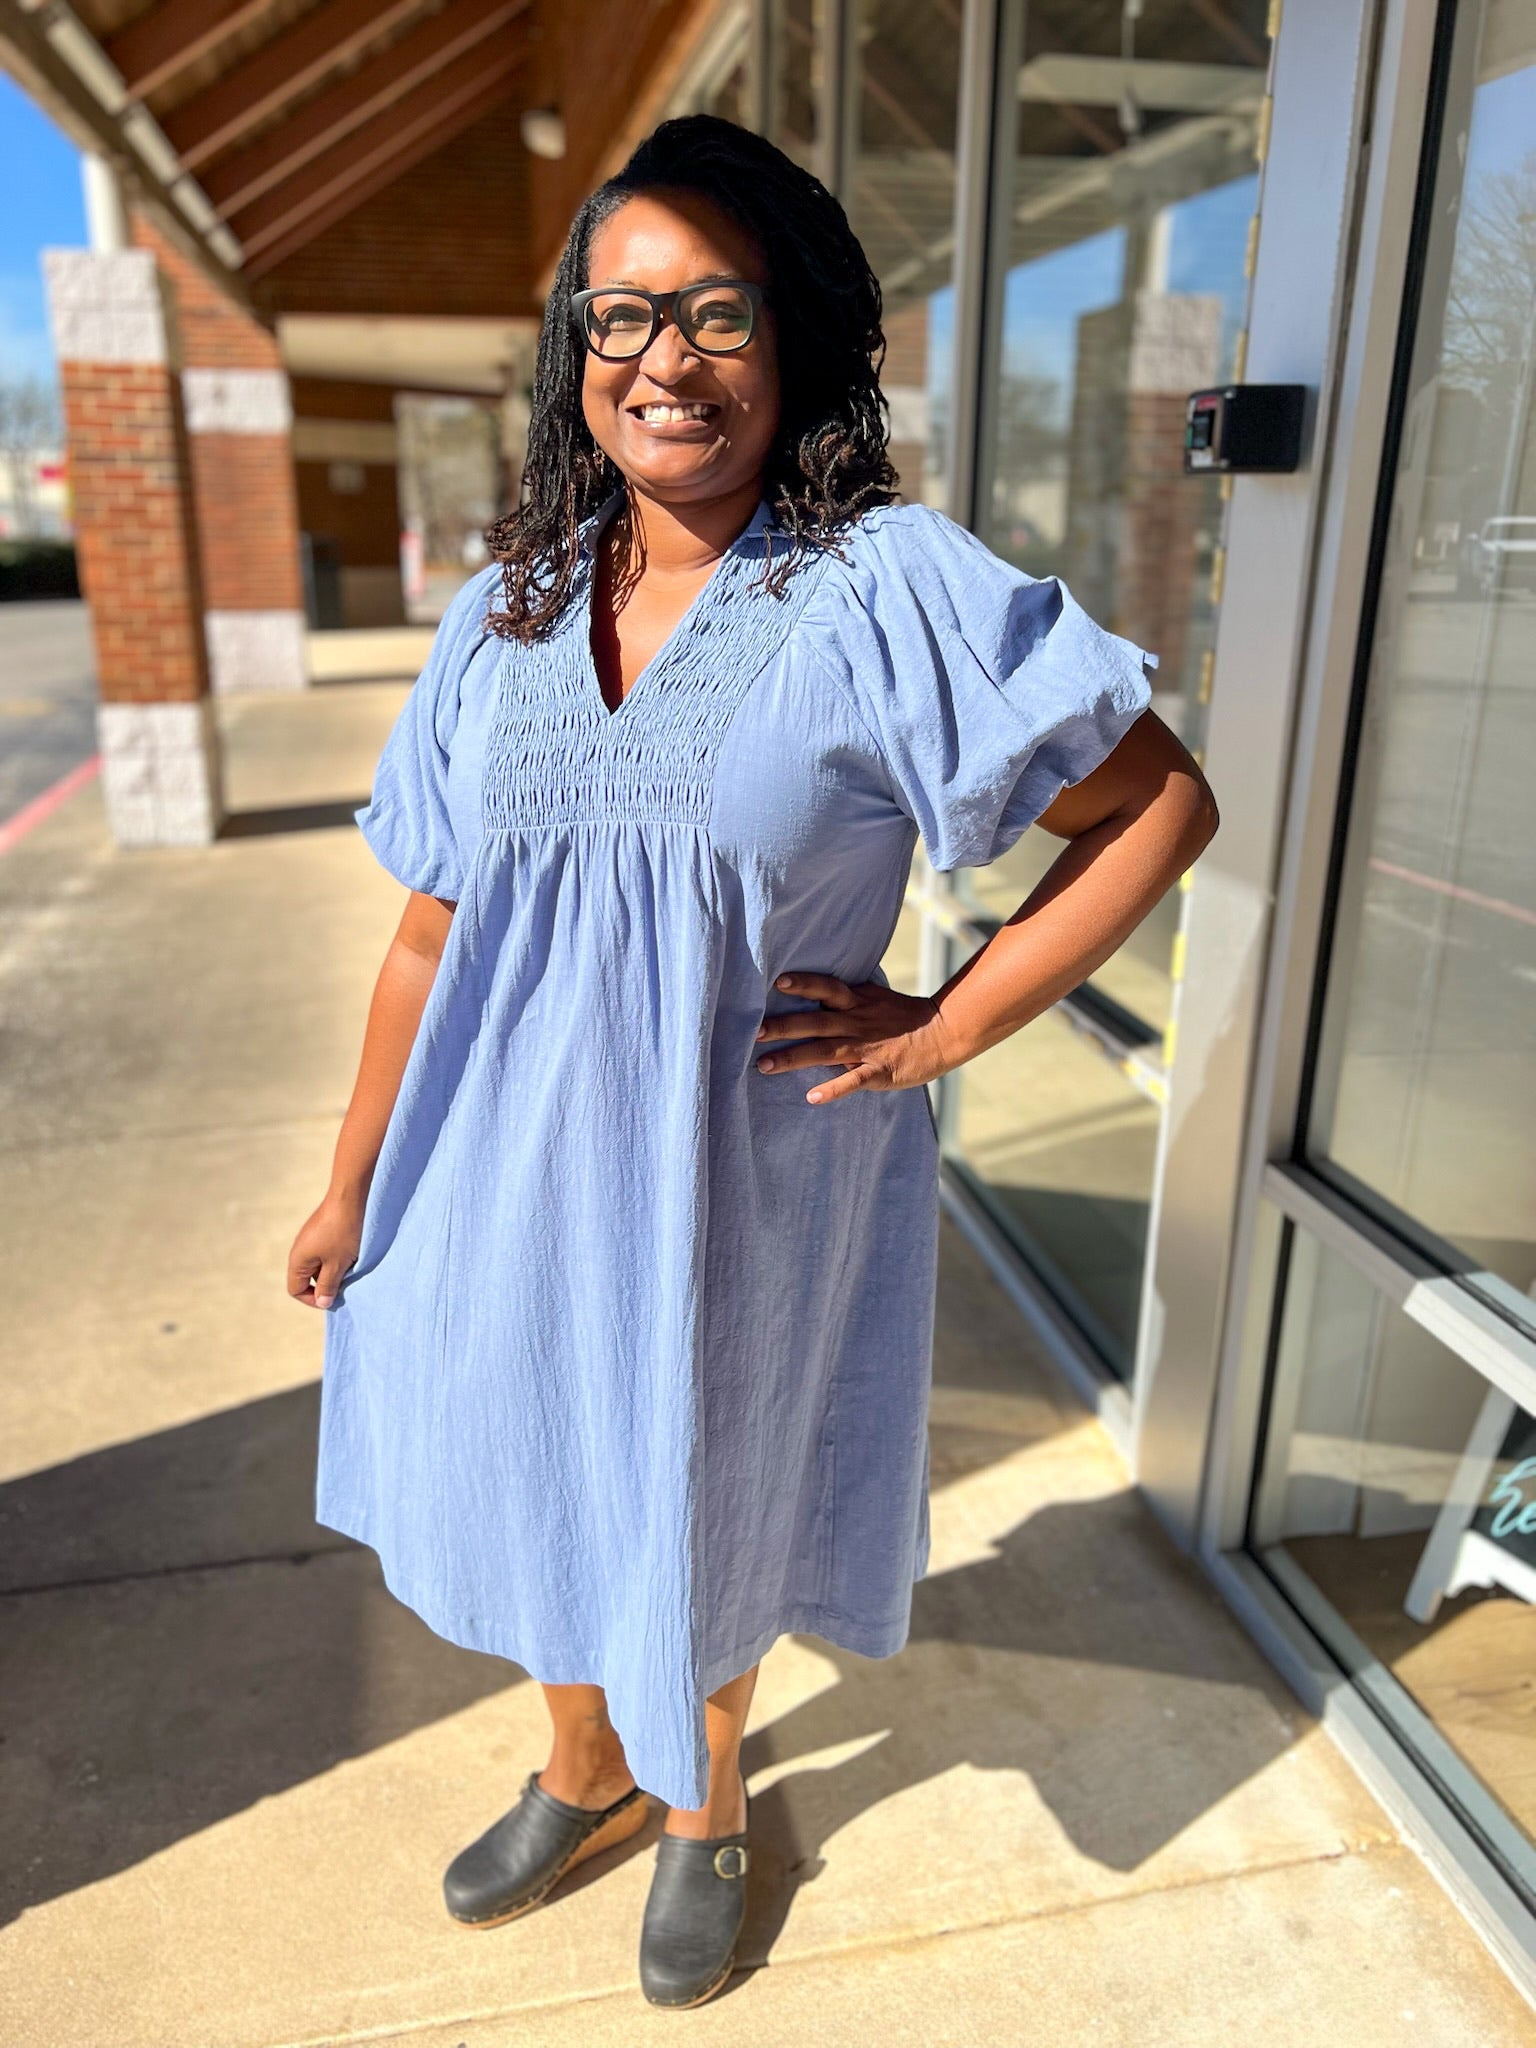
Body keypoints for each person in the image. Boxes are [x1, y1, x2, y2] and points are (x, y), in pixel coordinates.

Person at [287, 112, 1219, 2011]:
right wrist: (355, 1167)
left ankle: (703, 1806)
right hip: (492, 1165)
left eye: (715, 313)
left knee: (698, 1481)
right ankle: (585, 1766)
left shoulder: (887, 587)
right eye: (621, 321)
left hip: (734, 1173)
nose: (665, 362)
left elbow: (1155, 809)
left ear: (789, 339)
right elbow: (425, 929)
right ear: (577, 362)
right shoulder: (509, 612)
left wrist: (954, 1019)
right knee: (531, 1460)